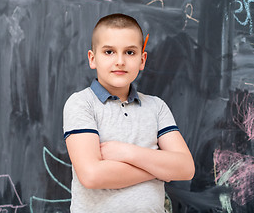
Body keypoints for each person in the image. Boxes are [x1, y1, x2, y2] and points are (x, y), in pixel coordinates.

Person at [63, 13, 195, 213]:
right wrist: (159, 169)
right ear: (93, 58)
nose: (120, 61)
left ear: (142, 60)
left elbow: (185, 168)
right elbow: (92, 176)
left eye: (130, 53)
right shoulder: (82, 104)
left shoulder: (157, 107)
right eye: (109, 52)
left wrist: (126, 152)